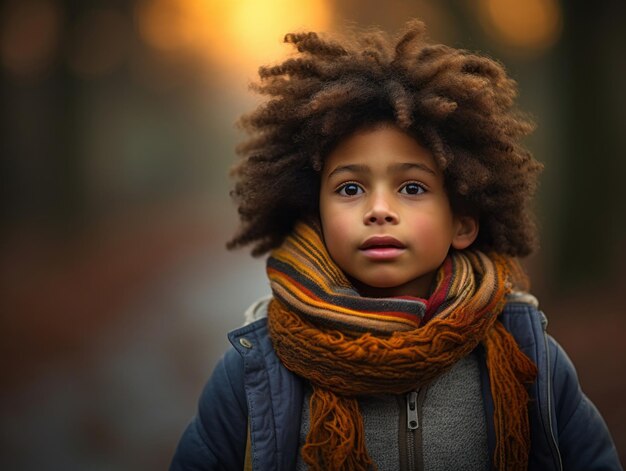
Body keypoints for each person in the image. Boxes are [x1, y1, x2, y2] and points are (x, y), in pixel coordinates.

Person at [170, 20, 622, 471]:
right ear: (316, 216)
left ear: (461, 223)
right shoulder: (256, 370)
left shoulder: (528, 358)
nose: (379, 209)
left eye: (411, 188)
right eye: (350, 189)